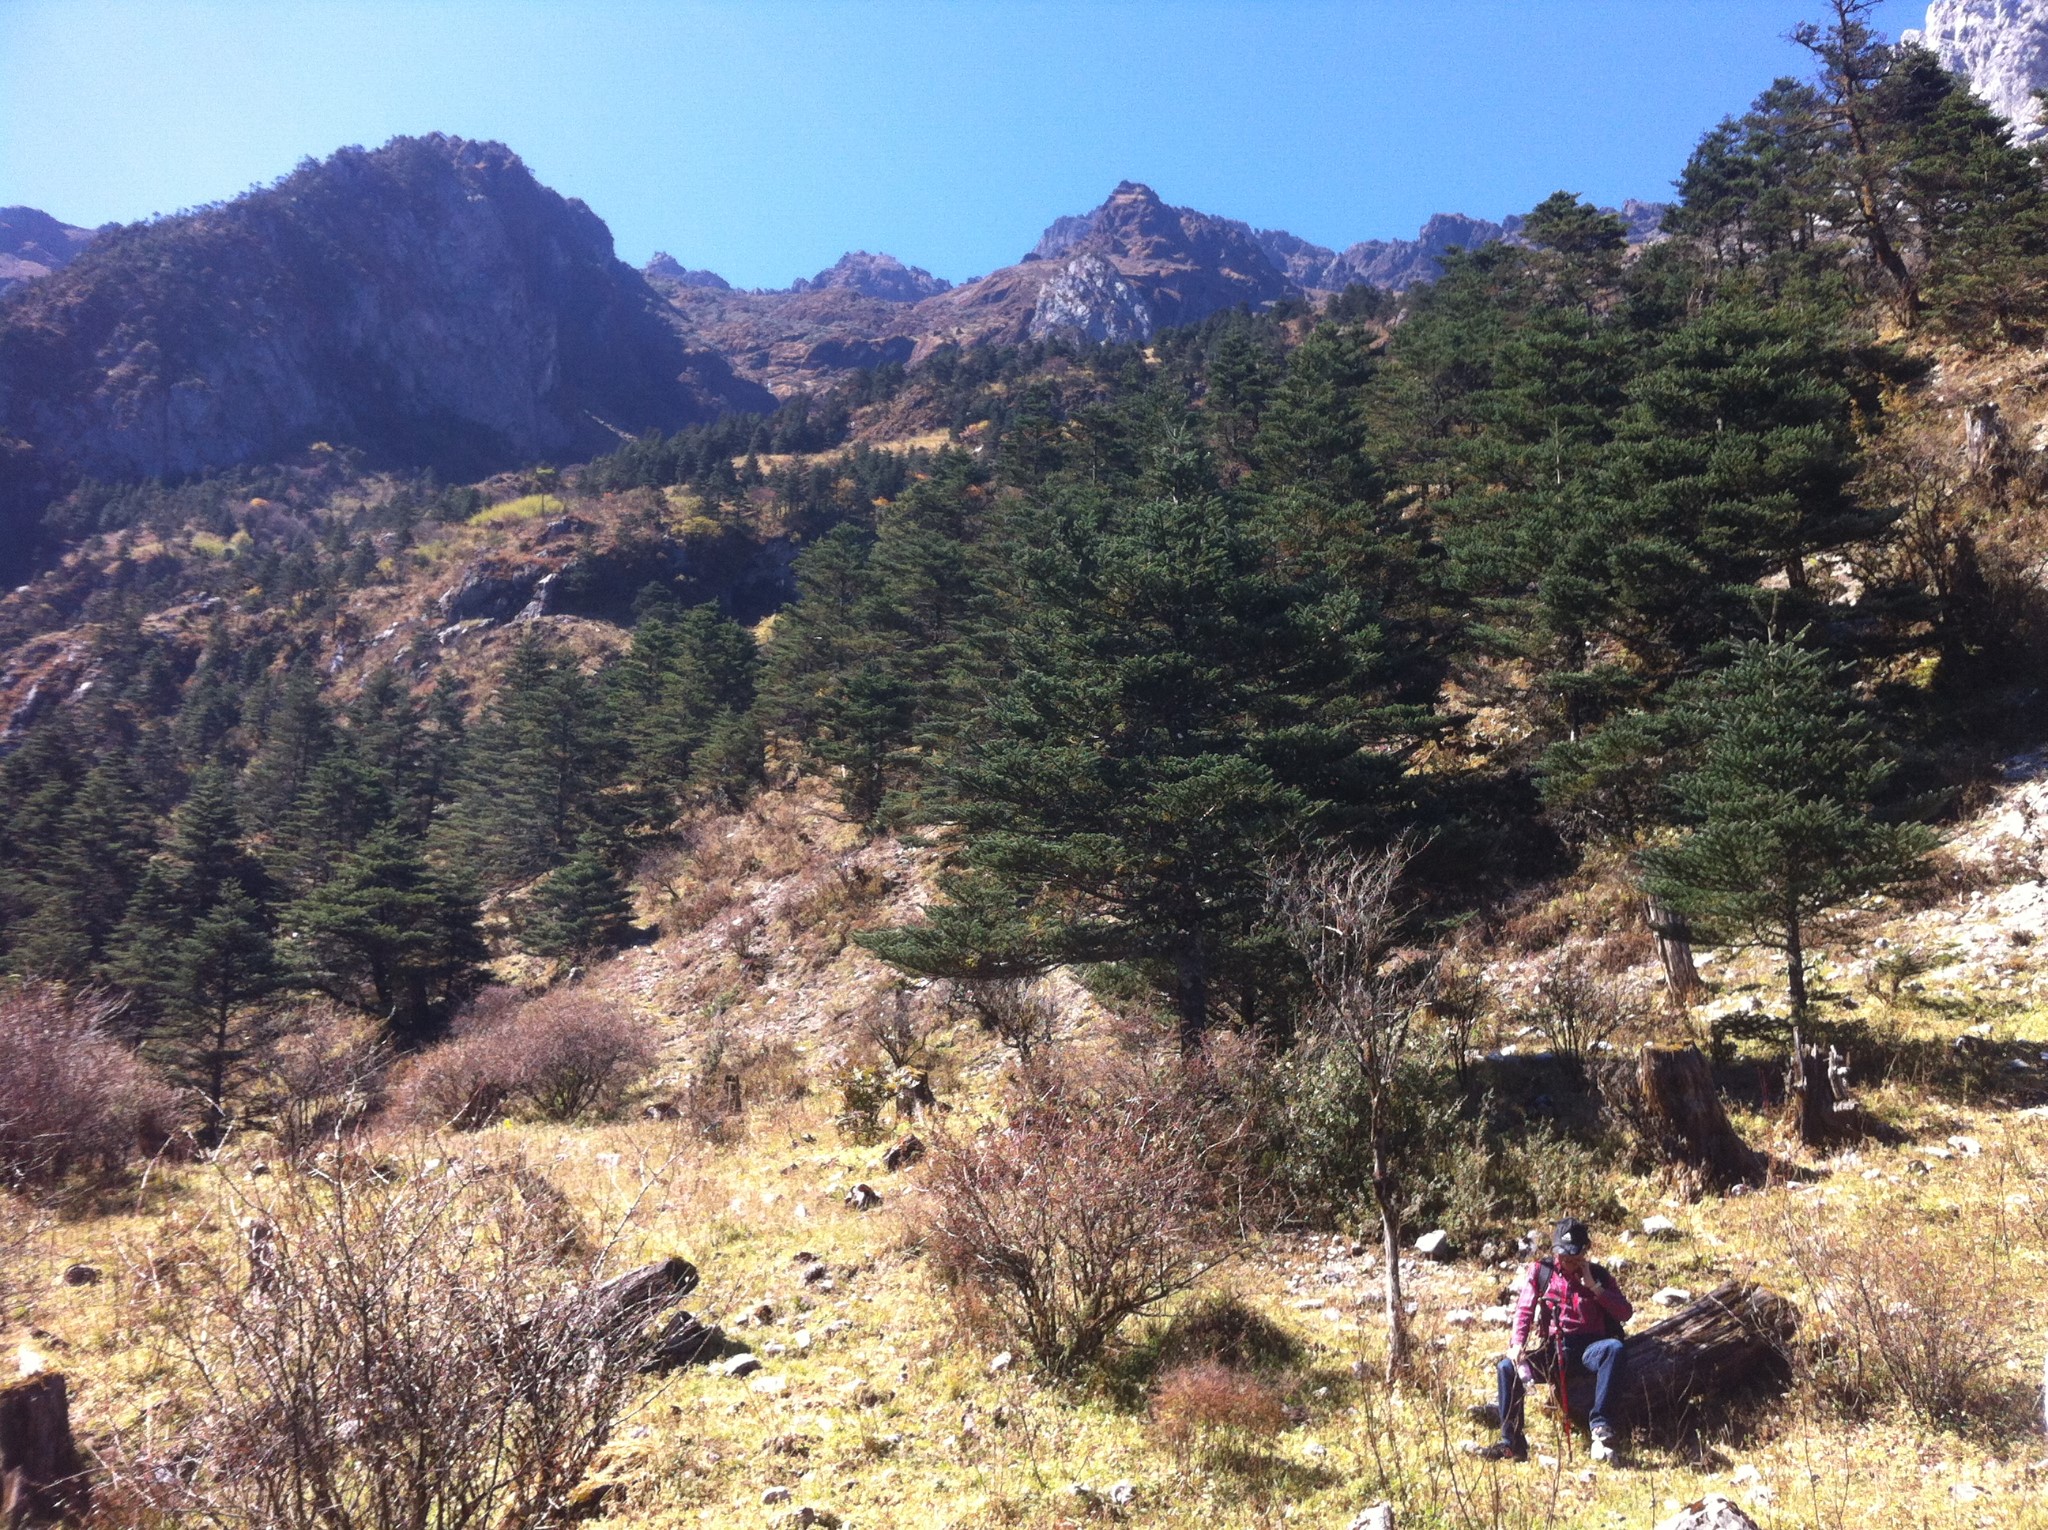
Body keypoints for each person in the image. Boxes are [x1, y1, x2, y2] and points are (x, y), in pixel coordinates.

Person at [1477, 1217, 1633, 1463]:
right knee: (1507, 1368)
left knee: (1614, 1349)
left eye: (1573, 1258)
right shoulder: (1542, 1271)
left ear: (1584, 1252)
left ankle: (1601, 1427)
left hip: (1590, 1348)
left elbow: (1625, 1312)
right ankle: (1512, 1443)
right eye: (1563, 1256)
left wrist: (1595, 1288)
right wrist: (1517, 1344)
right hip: (1554, 1349)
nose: (1567, 1263)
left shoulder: (1599, 1275)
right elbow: (1525, 1309)